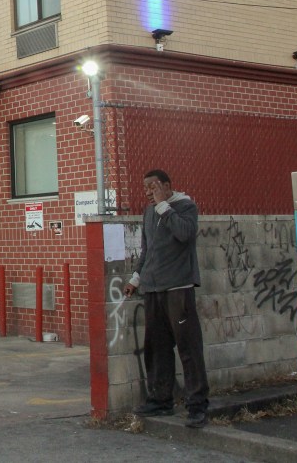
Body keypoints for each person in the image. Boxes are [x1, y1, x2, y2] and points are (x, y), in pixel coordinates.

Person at [124, 169, 210, 428]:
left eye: (153, 186)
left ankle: (197, 405)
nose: (148, 192)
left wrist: (164, 206)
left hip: (178, 288)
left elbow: (185, 234)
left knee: (188, 347)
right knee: (157, 347)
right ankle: (161, 400)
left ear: (167, 185)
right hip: (153, 288)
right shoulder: (149, 212)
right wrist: (136, 278)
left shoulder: (185, 207)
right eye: (145, 188)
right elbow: (147, 249)